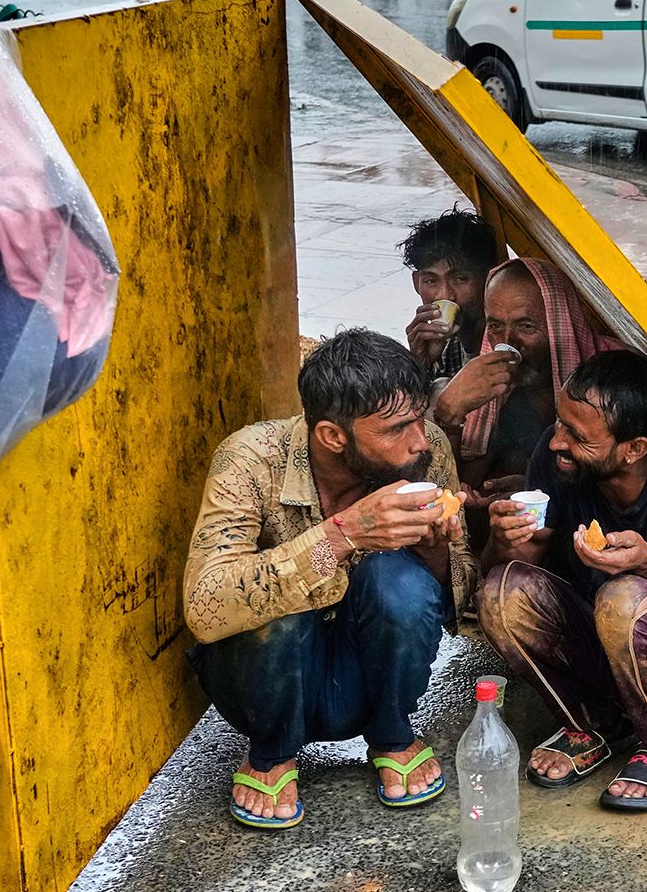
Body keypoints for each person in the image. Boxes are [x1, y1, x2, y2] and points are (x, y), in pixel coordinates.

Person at [182, 328, 476, 829]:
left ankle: (393, 734)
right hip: (265, 679)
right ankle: (272, 754)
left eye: (420, 418)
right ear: (333, 436)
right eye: (397, 429)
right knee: (277, 601)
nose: (419, 440)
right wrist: (344, 534)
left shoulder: (427, 452)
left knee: (398, 583)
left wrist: (434, 550)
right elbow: (205, 607)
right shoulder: (251, 459)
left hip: (368, 677)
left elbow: (457, 599)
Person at [475, 351, 647, 812]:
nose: (558, 442)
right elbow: (520, 564)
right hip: (604, 654)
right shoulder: (557, 458)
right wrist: (504, 539)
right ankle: (593, 722)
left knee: (624, 597)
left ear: (634, 449)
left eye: (578, 437)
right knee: (502, 592)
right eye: (560, 424)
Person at [434, 257, 620, 502]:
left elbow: (627, 482)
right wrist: (450, 412)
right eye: (496, 326)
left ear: (558, 324)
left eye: (526, 327)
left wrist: (543, 488)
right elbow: (465, 478)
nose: (507, 343)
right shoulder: (498, 389)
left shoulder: (613, 378)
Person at [399, 208, 500, 380]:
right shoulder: (446, 348)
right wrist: (420, 364)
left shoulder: (503, 344)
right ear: (417, 283)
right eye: (431, 281)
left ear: (488, 278)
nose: (445, 295)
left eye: (460, 279)